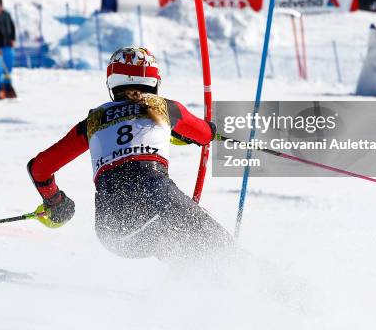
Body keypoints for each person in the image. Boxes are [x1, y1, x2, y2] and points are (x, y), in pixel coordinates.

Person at [27, 46, 232, 263]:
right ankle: (260, 282)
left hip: (113, 232)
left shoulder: (93, 121)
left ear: (112, 83)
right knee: (222, 250)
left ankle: (192, 283)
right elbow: (203, 134)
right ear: (154, 81)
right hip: (158, 202)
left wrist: (55, 201)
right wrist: (209, 131)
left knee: (180, 248)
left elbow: (40, 168)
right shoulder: (164, 108)